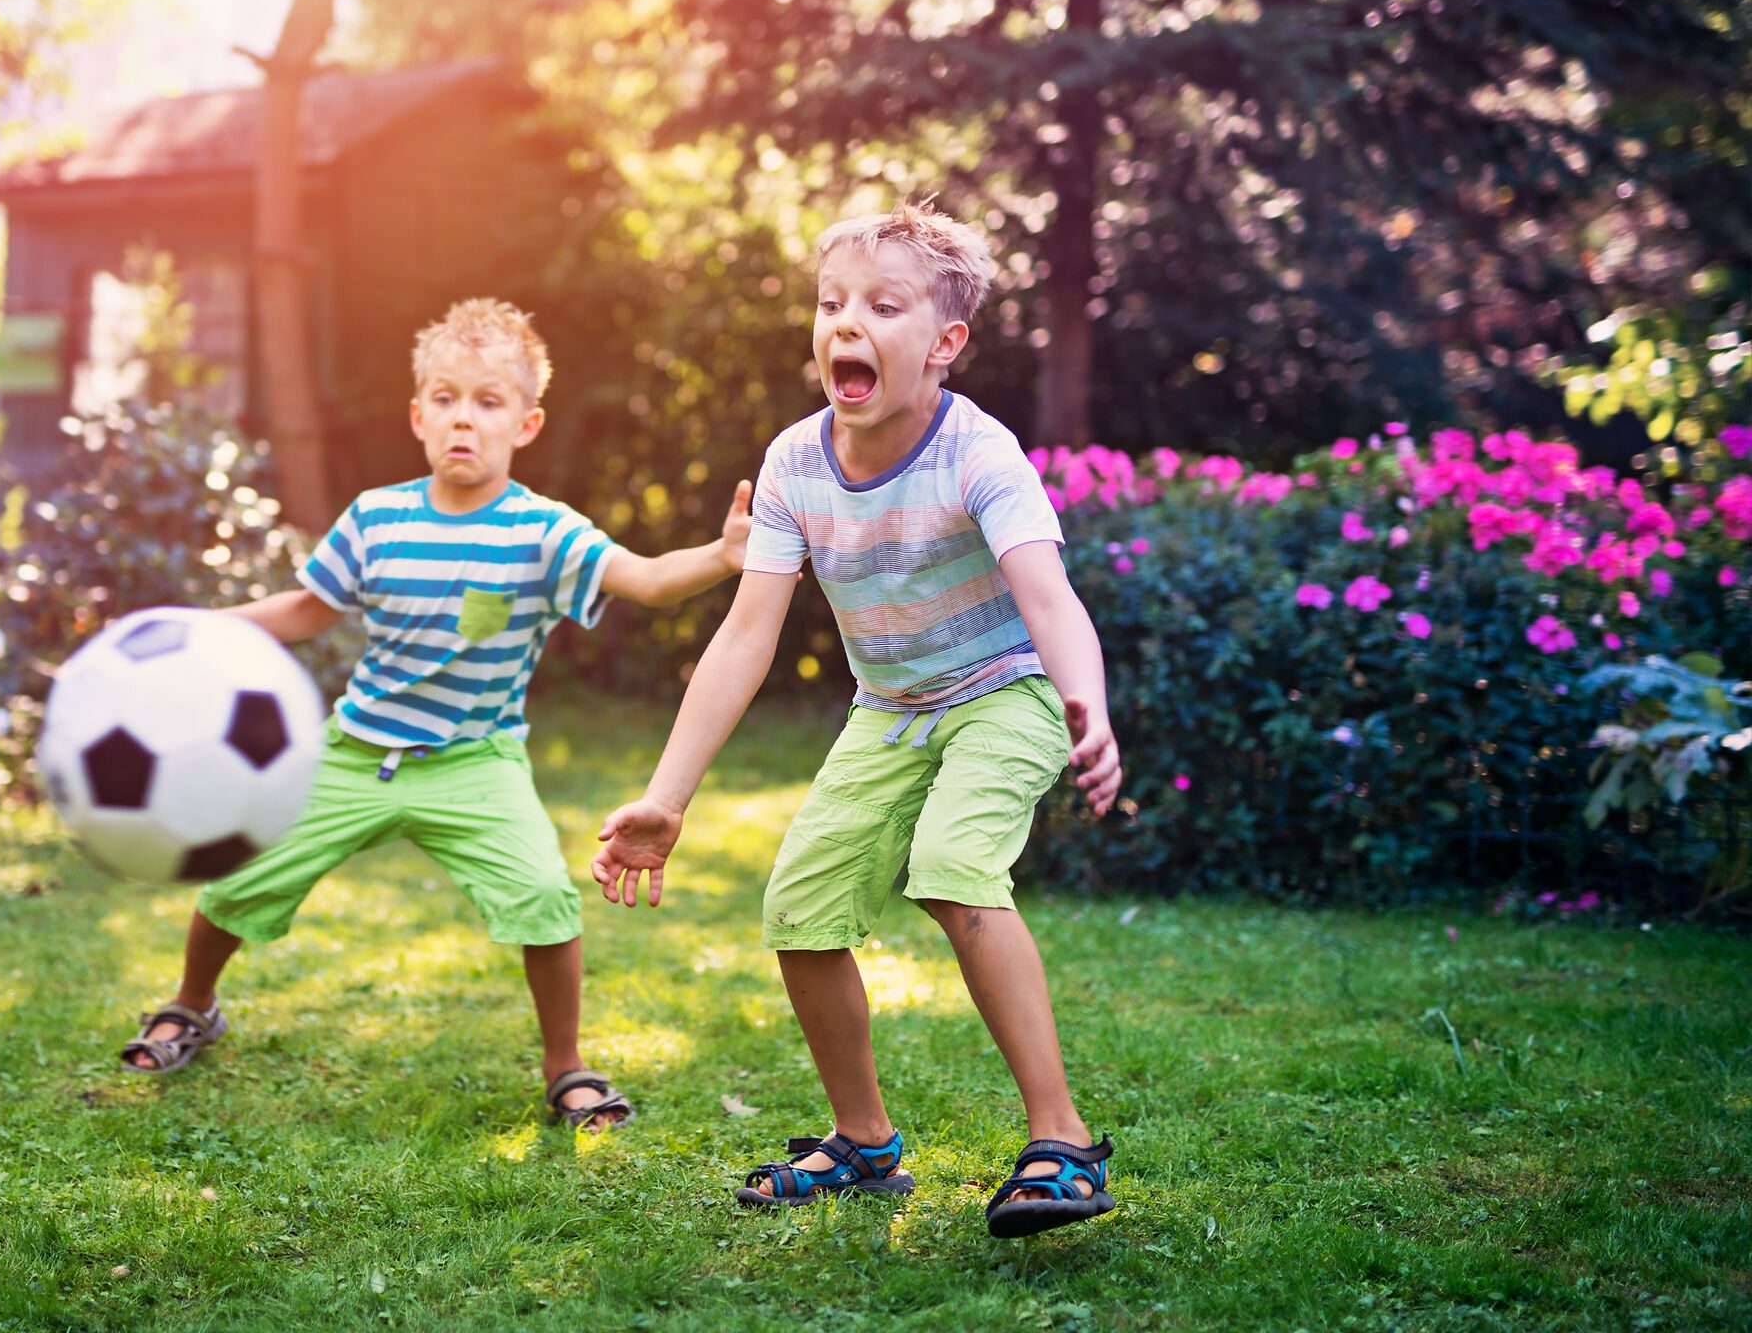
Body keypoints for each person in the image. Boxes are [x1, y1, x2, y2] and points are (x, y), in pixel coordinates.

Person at [590, 202, 1126, 1232]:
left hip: (1007, 691)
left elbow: (1049, 596)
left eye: (884, 305)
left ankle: (1061, 1141)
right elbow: (747, 636)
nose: (848, 322)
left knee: (956, 868)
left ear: (943, 345)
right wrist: (668, 795)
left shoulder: (980, 453)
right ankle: (865, 1144)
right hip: (890, 709)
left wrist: (1085, 706)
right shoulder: (795, 463)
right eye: (832, 302)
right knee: (799, 907)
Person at [119, 297, 751, 1133]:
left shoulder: (541, 532)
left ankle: (566, 1066)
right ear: (418, 416)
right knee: (238, 876)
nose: (465, 419)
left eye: (488, 402)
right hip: (356, 750)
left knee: (542, 899)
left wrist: (720, 556)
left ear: (525, 424)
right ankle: (191, 1005)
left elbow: (641, 577)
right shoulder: (378, 518)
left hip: (475, 761)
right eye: (447, 398)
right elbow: (309, 611)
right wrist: (200, 626)